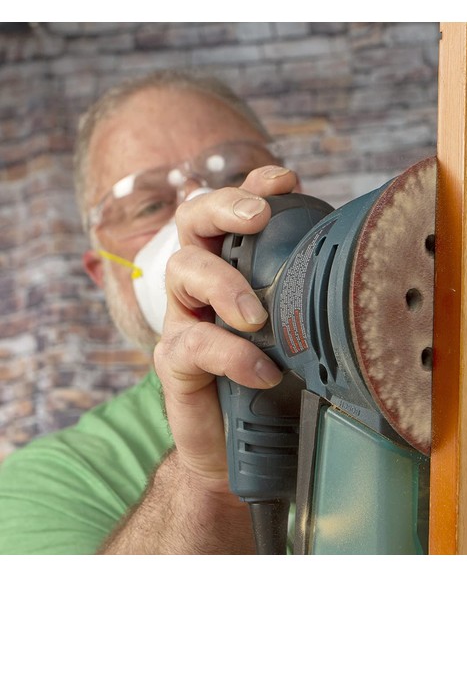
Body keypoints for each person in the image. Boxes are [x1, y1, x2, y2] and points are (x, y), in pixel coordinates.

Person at [0, 69, 299, 554]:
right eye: (149, 206)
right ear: (105, 274)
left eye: (232, 176)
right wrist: (209, 484)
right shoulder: (51, 483)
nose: (203, 212)